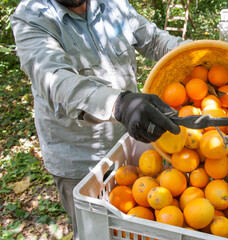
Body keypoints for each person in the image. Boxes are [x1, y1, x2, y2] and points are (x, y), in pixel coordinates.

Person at [10, 0, 190, 238]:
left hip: (127, 147)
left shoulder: (112, 4)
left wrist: (196, 53)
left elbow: (155, 40)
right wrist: (119, 104)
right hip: (78, 159)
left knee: (138, 223)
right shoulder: (32, 16)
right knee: (94, 233)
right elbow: (56, 80)